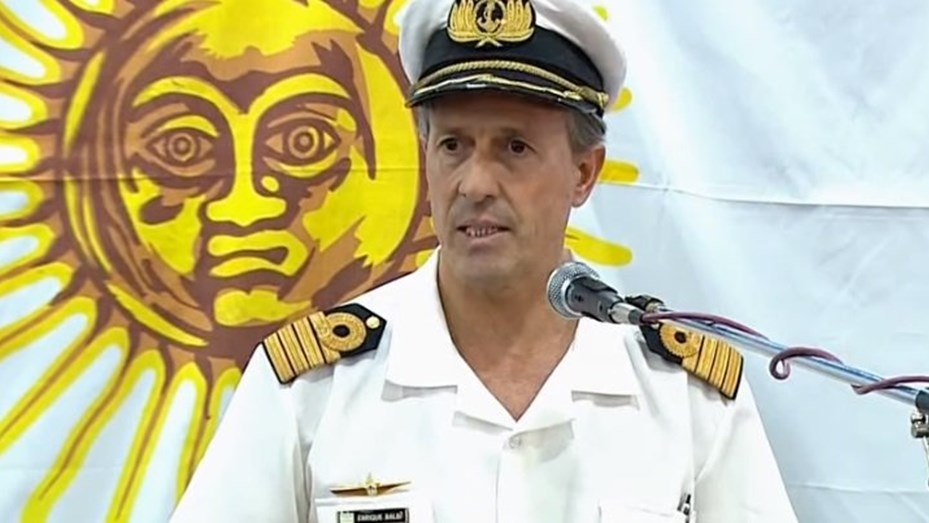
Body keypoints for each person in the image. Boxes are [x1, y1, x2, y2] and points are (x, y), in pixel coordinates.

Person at [170, 0, 799, 521]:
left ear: (584, 173)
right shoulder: (315, 387)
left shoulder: (682, 395)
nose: (474, 183)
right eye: (453, 145)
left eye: (514, 148)